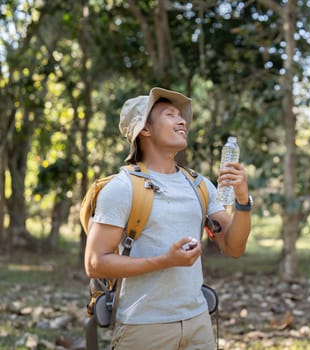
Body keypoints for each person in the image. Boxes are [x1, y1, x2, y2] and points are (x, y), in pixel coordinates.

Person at [84, 87, 252, 350]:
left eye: (181, 116)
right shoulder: (122, 188)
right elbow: (95, 263)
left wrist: (243, 200)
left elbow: (234, 247)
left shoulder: (200, 186)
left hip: (198, 322)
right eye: (170, 115)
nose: (182, 120)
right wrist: (165, 261)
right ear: (145, 130)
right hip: (143, 327)